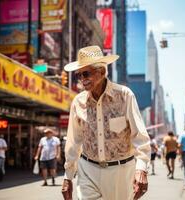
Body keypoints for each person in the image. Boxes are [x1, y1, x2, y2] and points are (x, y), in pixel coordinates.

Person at [61, 46, 151, 200]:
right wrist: (68, 176)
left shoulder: (124, 95)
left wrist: (141, 168)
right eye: (79, 75)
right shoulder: (78, 102)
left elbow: (140, 137)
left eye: (86, 73)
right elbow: (73, 141)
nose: (82, 79)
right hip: (88, 170)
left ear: (102, 72)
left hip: (121, 172)